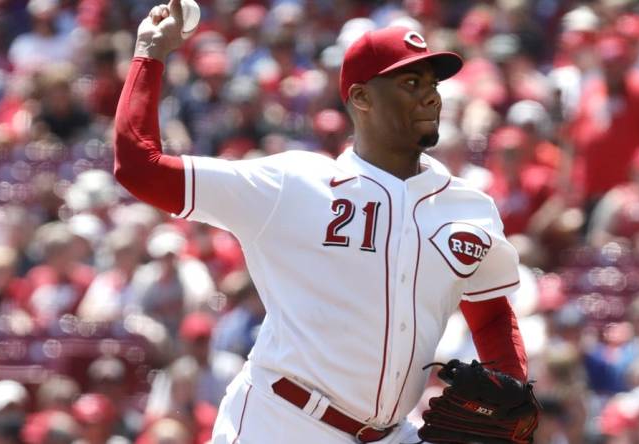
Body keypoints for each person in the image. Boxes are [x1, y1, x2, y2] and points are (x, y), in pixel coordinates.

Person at [114, 2, 528, 442]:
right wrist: (150, 53)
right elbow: (141, 168)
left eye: (432, 83)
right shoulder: (291, 184)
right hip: (282, 421)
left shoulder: (469, 208)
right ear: (361, 97)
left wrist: (511, 399)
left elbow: (490, 316)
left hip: (391, 434)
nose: (430, 94)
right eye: (410, 82)